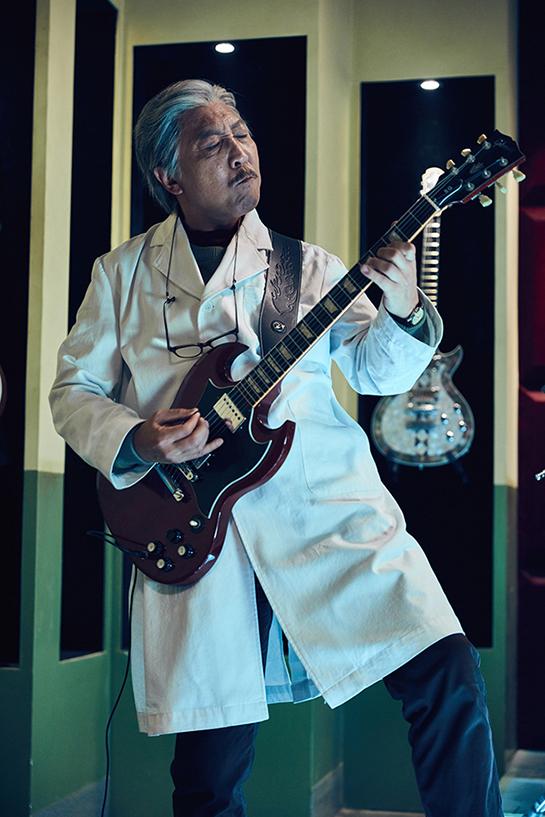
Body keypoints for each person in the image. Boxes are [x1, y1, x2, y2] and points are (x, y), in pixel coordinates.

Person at [49, 79, 503, 817]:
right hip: (195, 529)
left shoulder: (307, 267)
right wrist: (137, 437)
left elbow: (378, 372)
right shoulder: (121, 273)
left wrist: (404, 305)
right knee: (209, 772)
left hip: (325, 517)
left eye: (243, 134)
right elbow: (74, 392)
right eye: (212, 142)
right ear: (169, 176)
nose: (239, 152)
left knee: (446, 667)